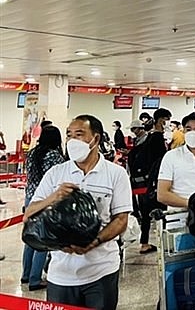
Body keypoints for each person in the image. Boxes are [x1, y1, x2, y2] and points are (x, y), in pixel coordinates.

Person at [24, 115, 132, 310]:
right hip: (60, 273)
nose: (72, 141)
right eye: (69, 135)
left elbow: (121, 219)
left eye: (79, 135)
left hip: (101, 270)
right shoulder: (56, 173)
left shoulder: (116, 174)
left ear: (96, 139)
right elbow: (29, 213)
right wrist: (54, 197)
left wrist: (94, 242)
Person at [22, 125, 65, 291]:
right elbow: (56, 180)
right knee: (43, 239)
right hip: (45, 199)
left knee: (31, 238)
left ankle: (26, 274)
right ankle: (35, 279)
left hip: (30, 198)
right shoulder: (54, 156)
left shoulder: (33, 153)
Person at [129, 108, 171, 254]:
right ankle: (165, 243)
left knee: (146, 214)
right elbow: (162, 161)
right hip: (154, 183)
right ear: (161, 120)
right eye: (167, 119)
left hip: (143, 183)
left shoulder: (149, 137)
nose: (168, 123)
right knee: (163, 213)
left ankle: (145, 243)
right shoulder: (157, 138)